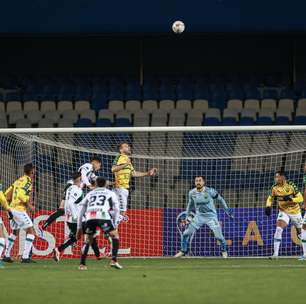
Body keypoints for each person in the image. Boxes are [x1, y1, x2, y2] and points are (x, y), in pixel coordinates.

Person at [174, 176, 233, 258]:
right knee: (185, 234)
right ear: (195, 183)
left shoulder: (210, 191)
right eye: (196, 181)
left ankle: (224, 251)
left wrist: (227, 210)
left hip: (211, 216)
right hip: (199, 216)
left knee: (219, 237)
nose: (198, 182)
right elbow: (189, 205)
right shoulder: (192, 193)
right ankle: (183, 250)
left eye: (200, 181)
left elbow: (221, 199)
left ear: (203, 182)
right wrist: (187, 217)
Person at [40, 156, 102, 232]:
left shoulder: (91, 172)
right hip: (73, 188)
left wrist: (110, 183)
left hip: (73, 188)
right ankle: (71, 236)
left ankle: (43, 227)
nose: (99, 167)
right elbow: (83, 174)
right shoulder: (88, 166)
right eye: (99, 165)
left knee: (62, 210)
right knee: (77, 212)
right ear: (95, 162)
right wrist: (89, 185)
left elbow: (97, 178)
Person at [76, 177, 121, 270]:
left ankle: (82, 264)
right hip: (103, 216)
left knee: (88, 240)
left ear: (95, 184)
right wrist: (115, 224)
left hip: (90, 217)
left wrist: (79, 227)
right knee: (115, 235)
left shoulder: (90, 193)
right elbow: (117, 209)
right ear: (105, 184)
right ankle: (114, 260)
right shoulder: (110, 193)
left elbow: (81, 210)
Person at [112, 142, 157, 221]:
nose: (129, 147)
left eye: (128, 146)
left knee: (120, 214)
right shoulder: (119, 156)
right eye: (126, 146)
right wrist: (125, 164)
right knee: (122, 214)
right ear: (121, 150)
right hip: (119, 188)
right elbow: (113, 169)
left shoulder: (127, 160)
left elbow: (133, 173)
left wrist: (147, 173)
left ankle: (112, 227)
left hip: (124, 189)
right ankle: (111, 229)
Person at [265, 171, 303, 259]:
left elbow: (300, 198)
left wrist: (291, 199)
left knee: (301, 234)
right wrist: (268, 206)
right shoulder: (274, 188)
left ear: (282, 177)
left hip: (295, 212)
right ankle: (275, 254)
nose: (275, 179)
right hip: (283, 211)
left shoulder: (291, 185)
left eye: (277, 177)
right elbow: (270, 198)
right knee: (278, 229)